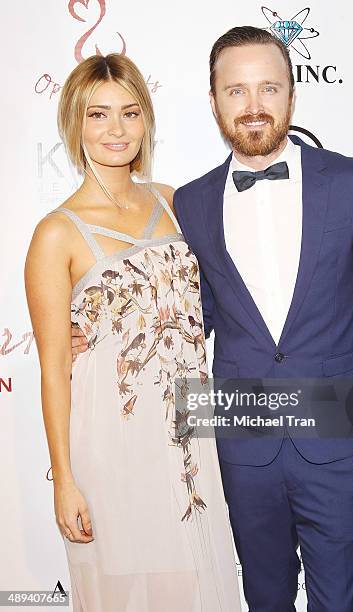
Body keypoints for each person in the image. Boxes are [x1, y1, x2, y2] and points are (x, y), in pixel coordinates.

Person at [71, 28, 353, 611]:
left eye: (268, 89)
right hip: (237, 441)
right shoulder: (191, 202)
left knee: (339, 601)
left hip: (340, 443)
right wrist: (104, 340)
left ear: (291, 95)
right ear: (213, 100)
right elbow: (186, 312)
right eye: (236, 91)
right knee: (262, 599)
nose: (253, 106)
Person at [25, 53, 241, 612]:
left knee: (199, 584)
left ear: (147, 120)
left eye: (129, 112)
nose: (116, 130)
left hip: (193, 436)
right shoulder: (55, 233)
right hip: (113, 441)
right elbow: (53, 369)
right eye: (98, 115)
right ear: (76, 124)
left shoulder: (173, 202)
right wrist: (64, 480)